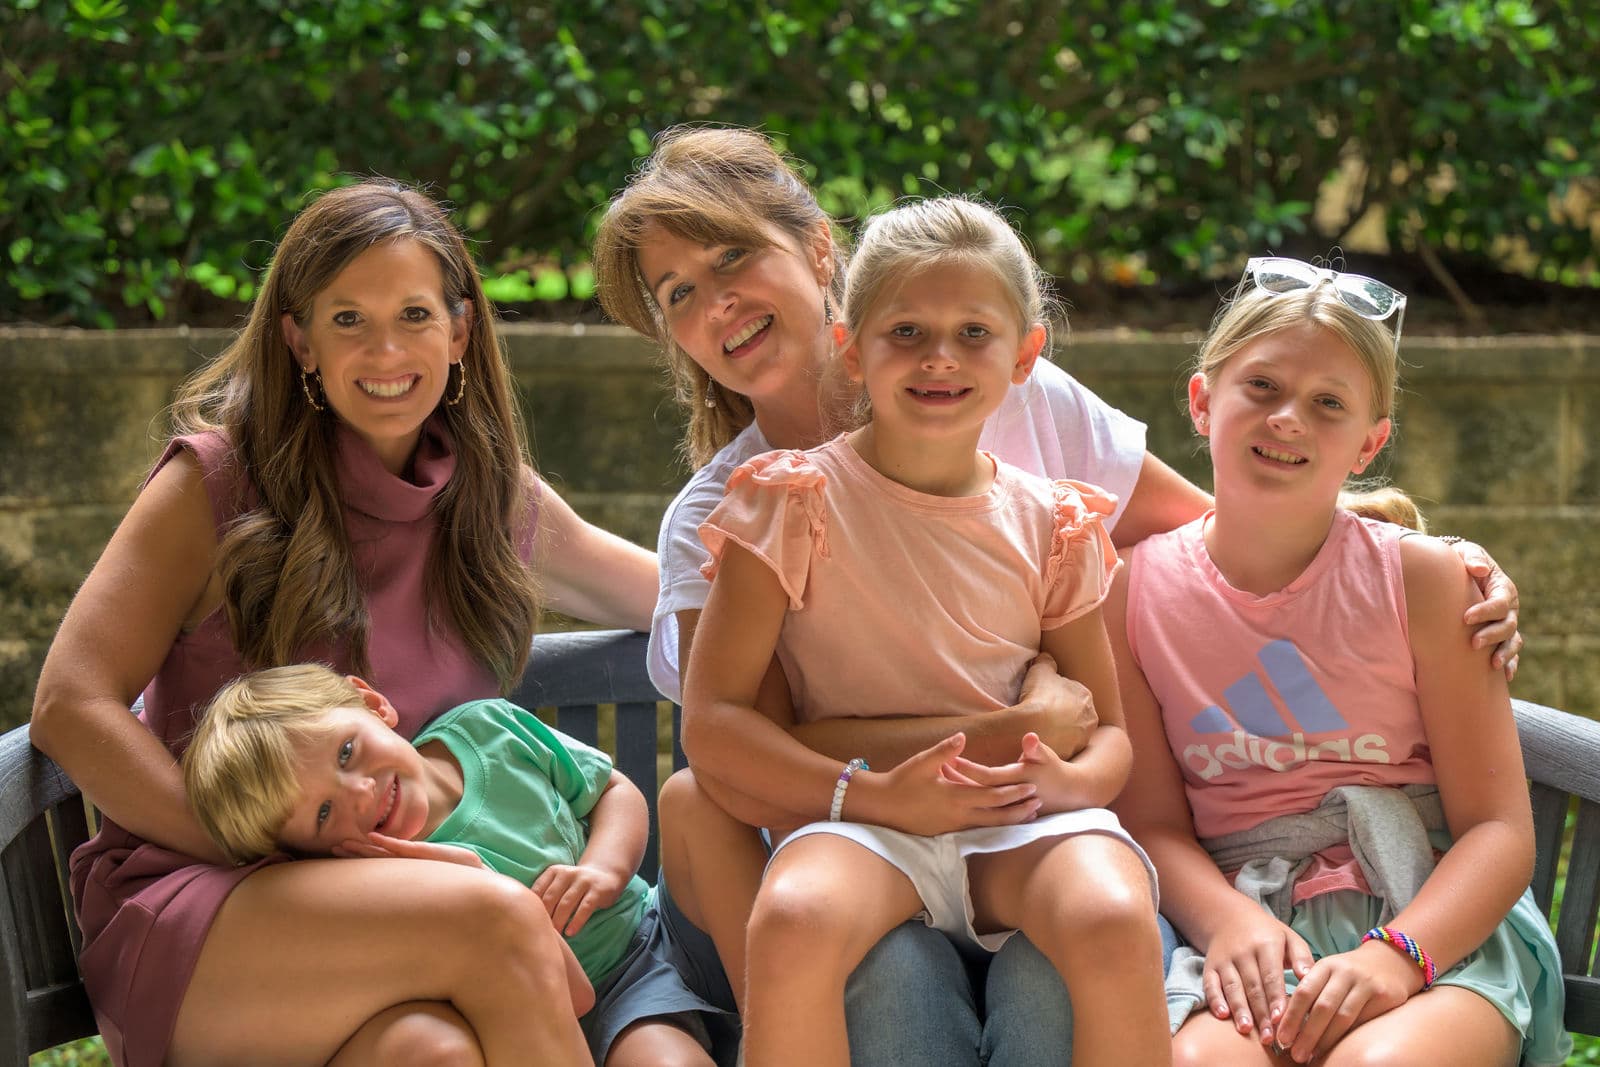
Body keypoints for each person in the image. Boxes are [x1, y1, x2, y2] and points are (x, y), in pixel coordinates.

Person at [591, 124, 1525, 1063]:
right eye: (680, 294)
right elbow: (739, 746)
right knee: (877, 965)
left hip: (1043, 830)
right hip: (866, 831)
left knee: (1073, 949)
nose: (721, 302)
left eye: (734, 256)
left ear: (817, 249)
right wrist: (1000, 735)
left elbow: (1234, 537)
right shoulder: (750, 508)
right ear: (858, 339)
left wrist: (1417, 558)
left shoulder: (1041, 462)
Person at [29, 179, 658, 1067]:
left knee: (428, 1052)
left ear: (462, 330)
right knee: (490, 916)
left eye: (413, 314)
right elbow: (71, 702)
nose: (387, 349)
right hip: (212, 898)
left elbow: (672, 599)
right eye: (348, 319)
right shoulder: (215, 483)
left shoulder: (487, 498)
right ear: (299, 341)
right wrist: (260, 846)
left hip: (404, 914)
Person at [684, 196, 1172, 1067]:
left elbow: (1110, 741)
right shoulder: (787, 502)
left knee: (1111, 910)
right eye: (905, 332)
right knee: (793, 915)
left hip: (1020, 825)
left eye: (974, 333)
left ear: (1026, 355)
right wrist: (872, 796)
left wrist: (1060, 779)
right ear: (851, 347)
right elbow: (714, 723)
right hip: (866, 825)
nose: (939, 358)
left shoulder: (1054, 522)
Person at [1105, 256, 1569, 1066]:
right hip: (1249, 922)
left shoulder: (1429, 582)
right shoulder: (1129, 594)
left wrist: (1397, 955)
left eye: (1328, 404)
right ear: (1201, 401)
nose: (1290, 418)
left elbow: (1498, 827)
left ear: (1370, 442)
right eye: (1262, 388)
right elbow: (1151, 823)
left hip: (1429, 918)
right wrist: (1231, 922)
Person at [181, 664, 734, 1066]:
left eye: (346, 752)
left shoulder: (488, 730)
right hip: (605, 1001)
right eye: (324, 812)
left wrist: (604, 867)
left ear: (372, 703)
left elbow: (611, 789)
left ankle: (772, 1015)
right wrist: (473, 880)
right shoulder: (382, 878)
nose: (361, 793)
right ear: (308, 851)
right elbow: (574, 996)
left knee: (691, 797)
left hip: (655, 925)